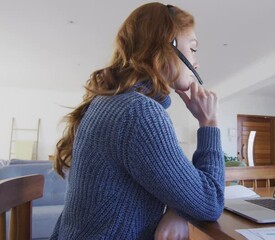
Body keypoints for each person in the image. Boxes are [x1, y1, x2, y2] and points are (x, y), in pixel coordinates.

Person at [50, 3, 224, 239]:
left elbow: (184, 190)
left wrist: (179, 208)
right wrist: (209, 123)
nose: (196, 62)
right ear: (168, 45)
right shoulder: (139, 113)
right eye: (192, 49)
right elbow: (210, 202)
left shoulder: (113, 103)